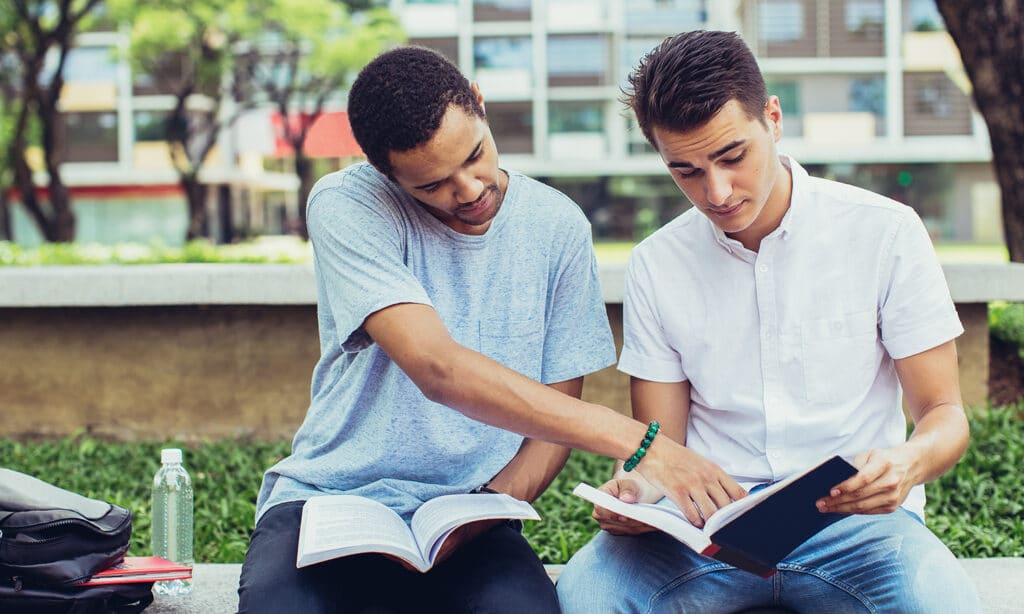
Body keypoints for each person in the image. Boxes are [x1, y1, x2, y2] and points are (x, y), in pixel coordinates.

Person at [237, 46, 735, 614]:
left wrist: (494, 505)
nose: (470, 190)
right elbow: (437, 368)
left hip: (470, 512)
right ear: (385, 173)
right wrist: (642, 444)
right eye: (432, 185)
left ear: (478, 100)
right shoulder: (348, 204)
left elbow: (555, 405)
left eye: (474, 156)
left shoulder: (557, 226)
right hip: (329, 503)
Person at [556, 30, 981, 613]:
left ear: (773, 118)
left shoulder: (885, 232)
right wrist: (634, 489)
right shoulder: (657, 262)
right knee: (587, 597)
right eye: (687, 171)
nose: (718, 192)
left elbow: (945, 415)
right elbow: (661, 444)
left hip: (854, 524)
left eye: (732, 157)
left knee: (944, 605)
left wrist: (906, 464)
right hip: (702, 528)